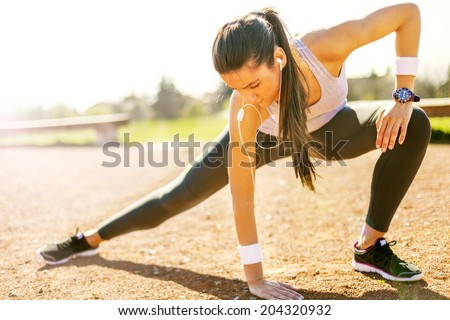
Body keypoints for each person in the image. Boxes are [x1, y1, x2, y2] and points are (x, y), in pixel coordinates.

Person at [37, 3, 431, 300]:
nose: (247, 97)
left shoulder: (323, 47)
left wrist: (403, 96)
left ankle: (369, 248)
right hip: (262, 140)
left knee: (414, 122)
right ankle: (88, 239)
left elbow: (407, 14)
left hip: (330, 128)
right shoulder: (245, 112)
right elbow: (243, 200)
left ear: (279, 58)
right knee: (179, 194)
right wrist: (255, 279)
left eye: (254, 85)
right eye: (236, 88)